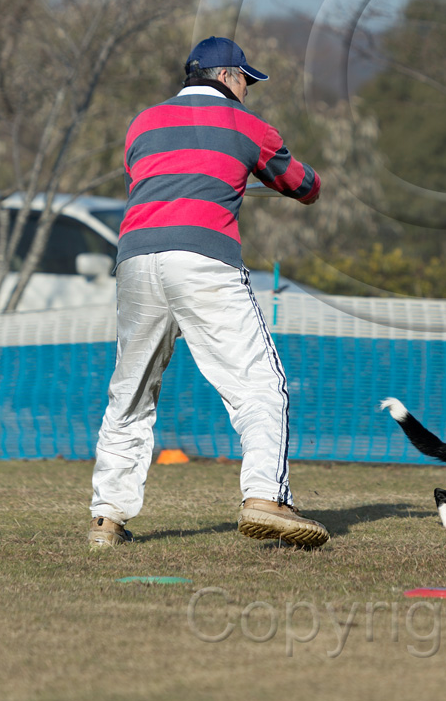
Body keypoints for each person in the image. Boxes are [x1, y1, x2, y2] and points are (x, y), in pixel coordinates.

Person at [89, 36, 329, 549]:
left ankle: (106, 519)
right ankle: (265, 496)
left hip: (136, 258)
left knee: (129, 393)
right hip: (203, 257)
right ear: (226, 77)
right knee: (260, 385)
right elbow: (303, 186)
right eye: (247, 80)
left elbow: (150, 178)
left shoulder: (144, 121)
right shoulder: (248, 126)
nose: (249, 91)